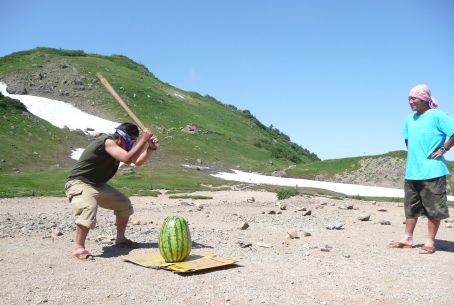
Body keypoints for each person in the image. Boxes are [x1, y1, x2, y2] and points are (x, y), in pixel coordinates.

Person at [65, 122, 159, 260]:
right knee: (88, 206)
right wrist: (144, 140)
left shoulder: (118, 148)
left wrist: (150, 148)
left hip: (97, 185)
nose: (132, 145)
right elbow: (128, 159)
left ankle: (120, 239)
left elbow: (136, 161)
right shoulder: (108, 142)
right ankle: (79, 247)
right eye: (131, 141)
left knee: (124, 204)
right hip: (78, 182)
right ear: (121, 138)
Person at [389, 84, 454, 254]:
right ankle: (407, 238)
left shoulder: (437, 116)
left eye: (414, 98)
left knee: (434, 208)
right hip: (412, 171)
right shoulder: (409, 119)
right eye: (409, 99)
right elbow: (407, 139)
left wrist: (443, 149)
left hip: (433, 170)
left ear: (424, 99)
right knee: (411, 207)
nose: (410, 102)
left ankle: (430, 242)